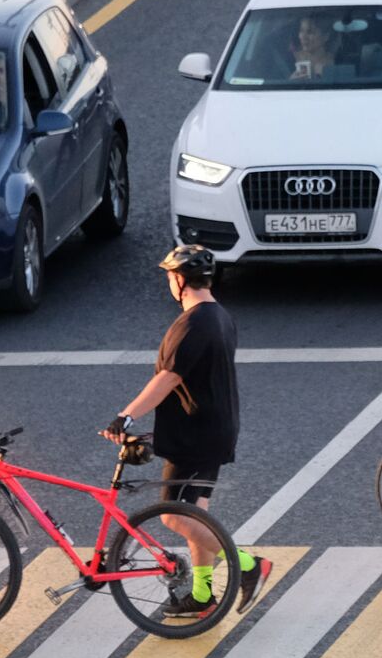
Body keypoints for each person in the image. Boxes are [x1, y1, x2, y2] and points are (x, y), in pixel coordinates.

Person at [101, 246, 273, 618]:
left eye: (169, 276)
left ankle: (247, 564)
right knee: (195, 517)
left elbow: (169, 377)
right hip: (211, 429)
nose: (168, 282)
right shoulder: (220, 316)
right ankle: (202, 596)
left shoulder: (197, 323)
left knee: (174, 518)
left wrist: (126, 416)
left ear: (179, 280)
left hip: (198, 437)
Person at [287, 14, 342, 80]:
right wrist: (291, 82)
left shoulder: (337, 63)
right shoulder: (289, 60)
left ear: (325, 37)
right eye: (301, 31)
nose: (303, 37)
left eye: (310, 32)